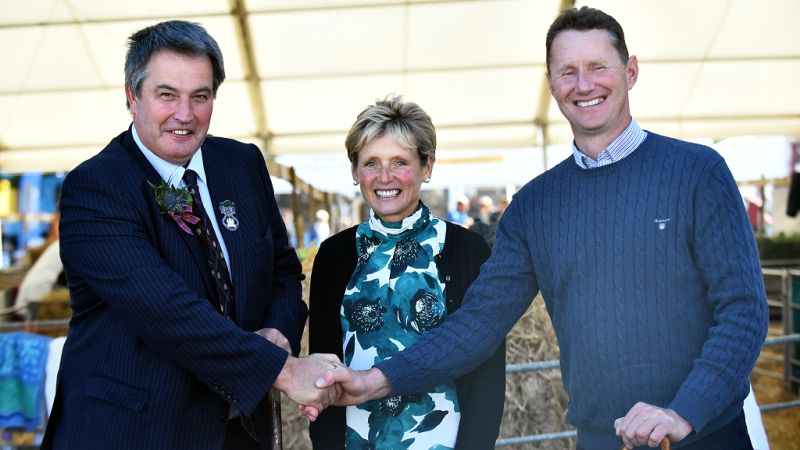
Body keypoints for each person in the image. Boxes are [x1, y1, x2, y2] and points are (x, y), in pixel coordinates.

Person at [312, 7, 769, 450]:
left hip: (703, 435)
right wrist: (373, 381)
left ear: (630, 71)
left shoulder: (697, 172)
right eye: (567, 71)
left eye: (597, 67)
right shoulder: (534, 206)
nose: (584, 84)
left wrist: (682, 412)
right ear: (551, 84)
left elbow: (744, 311)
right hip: (601, 438)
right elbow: (476, 325)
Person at [42, 20, 340, 450]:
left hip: (241, 430)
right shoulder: (96, 187)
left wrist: (277, 334)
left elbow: (283, 271)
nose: (185, 114)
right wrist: (285, 370)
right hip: (135, 432)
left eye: (200, 96)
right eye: (167, 95)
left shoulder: (241, 164)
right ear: (132, 97)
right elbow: (167, 310)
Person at [307, 96, 505, 449]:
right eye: (371, 163)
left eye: (401, 162)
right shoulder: (333, 256)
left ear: (427, 166)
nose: (385, 177)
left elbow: (488, 376)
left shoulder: (468, 251)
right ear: (354, 172)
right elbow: (323, 370)